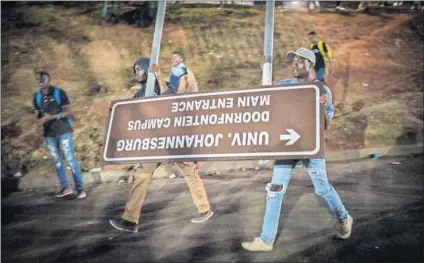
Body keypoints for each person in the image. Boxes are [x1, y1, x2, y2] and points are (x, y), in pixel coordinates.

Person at [241, 48, 353, 252]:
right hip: (287, 146)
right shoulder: (285, 86)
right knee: (275, 190)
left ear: (310, 65)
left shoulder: (320, 90)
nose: (294, 64)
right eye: (292, 61)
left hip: (310, 148)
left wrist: (322, 107)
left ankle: (344, 218)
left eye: (299, 61)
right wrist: (263, 72)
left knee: (322, 188)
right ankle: (266, 239)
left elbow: (325, 124)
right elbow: (266, 99)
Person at [109, 56, 214, 233]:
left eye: (139, 69)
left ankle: (204, 209)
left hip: (173, 139)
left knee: (190, 172)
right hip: (154, 143)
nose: (136, 73)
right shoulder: (140, 94)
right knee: (141, 175)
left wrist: (158, 77)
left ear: (147, 68)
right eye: (134, 71)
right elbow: (130, 115)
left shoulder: (164, 84)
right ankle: (129, 220)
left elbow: (171, 101)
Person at [33, 70, 86, 199]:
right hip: (49, 134)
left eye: (43, 78)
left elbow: (67, 112)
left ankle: (80, 189)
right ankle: (66, 187)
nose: (40, 81)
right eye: (38, 79)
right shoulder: (37, 96)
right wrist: (39, 122)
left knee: (70, 159)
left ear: (49, 79)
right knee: (57, 161)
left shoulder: (58, 92)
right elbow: (38, 114)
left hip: (63, 131)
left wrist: (51, 117)